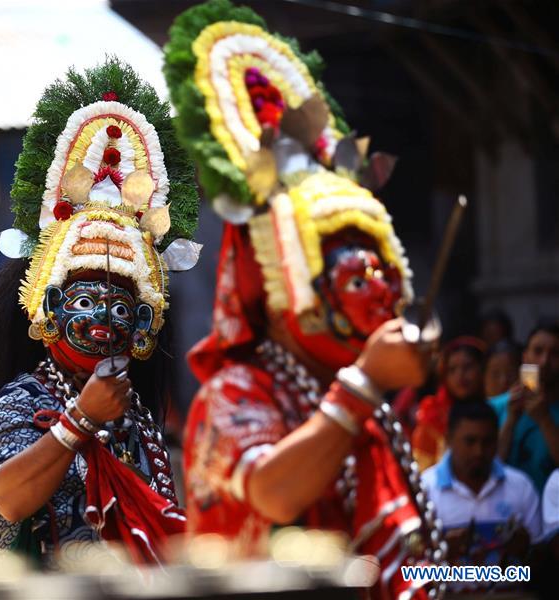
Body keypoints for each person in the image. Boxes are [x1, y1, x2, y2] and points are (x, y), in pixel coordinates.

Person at [164, 2, 444, 597]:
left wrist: (493, 570)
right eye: (356, 275)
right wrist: (364, 385)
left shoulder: (354, 398)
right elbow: (274, 491)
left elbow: (403, 567)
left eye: (384, 269)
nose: (383, 291)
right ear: (289, 288)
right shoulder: (235, 392)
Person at [0, 58, 201, 567]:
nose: (105, 317)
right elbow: (7, 498)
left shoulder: (134, 411)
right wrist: (79, 420)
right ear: (49, 305)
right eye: (85, 299)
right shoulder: (20, 400)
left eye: (122, 304)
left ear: (144, 324)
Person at [421, 401, 541, 592]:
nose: (479, 451)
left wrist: (525, 552)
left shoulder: (520, 486)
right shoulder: (425, 490)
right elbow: (408, 572)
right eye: (470, 441)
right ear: (449, 439)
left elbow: (543, 568)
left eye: (488, 442)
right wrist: (441, 553)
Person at [491, 322, 559, 492]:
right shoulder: (494, 408)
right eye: (537, 351)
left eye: (555, 354)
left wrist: (545, 420)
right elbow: (486, 468)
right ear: (525, 356)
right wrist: (510, 420)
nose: (544, 361)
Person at [412, 337, 487, 471]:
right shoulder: (431, 415)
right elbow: (421, 471)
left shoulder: (498, 408)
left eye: (467, 367)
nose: (460, 375)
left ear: (482, 369)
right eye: (452, 370)